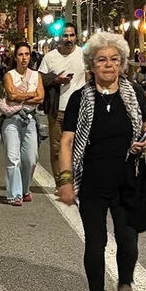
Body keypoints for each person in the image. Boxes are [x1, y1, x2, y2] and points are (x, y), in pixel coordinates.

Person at [58, 32, 146, 291]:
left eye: (114, 59)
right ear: (91, 65)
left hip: (127, 179)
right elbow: (66, 142)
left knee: (128, 239)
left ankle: (125, 286)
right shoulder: (79, 98)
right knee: (95, 241)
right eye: (101, 60)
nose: (108, 65)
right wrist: (65, 180)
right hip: (92, 180)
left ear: (122, 64)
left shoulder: (135, 94)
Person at [38, 23, 87, 178]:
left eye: (71, 35)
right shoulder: (50, 57)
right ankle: (60, 183)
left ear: (76, 37)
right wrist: (56, 80)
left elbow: (90, 77)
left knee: (79, 148)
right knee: (57, 149)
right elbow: (39, 79)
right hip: (57, 110)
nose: (68, 39)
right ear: (59, 37)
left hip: (79, 110)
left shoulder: (84, 55)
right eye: (65, 35)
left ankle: (76, 181)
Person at [0, 42, 45, 204]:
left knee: (31, 159)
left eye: (27, 54)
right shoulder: (9, 75)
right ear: (15, 57)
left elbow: (41, 98)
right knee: (13, 158)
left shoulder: (36, 75)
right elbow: (11, 96)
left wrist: (21, 96)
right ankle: (14, 195)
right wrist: (31, 94)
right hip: (11, 119)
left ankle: (25, 190)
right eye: (20, 54)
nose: (24, 58)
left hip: (30, 119)